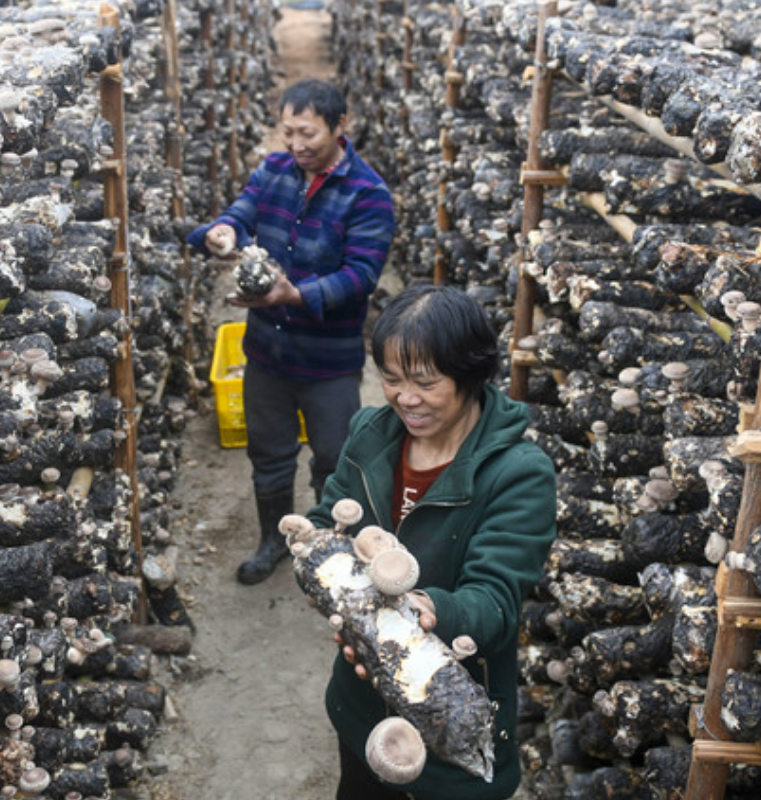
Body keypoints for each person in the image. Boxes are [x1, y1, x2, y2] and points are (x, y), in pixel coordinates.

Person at [307, 284, 557, 800]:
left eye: (425, 382)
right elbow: (323, 520)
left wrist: (418, 610)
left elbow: (493, 602)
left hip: (452, 711)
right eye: (391, 380)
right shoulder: (372, 432)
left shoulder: (519, 473)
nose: (405, 398)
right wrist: (321, 566)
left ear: (469, 374)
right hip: (361, 702)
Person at [188, 78, 396, 585]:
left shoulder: (368, 194)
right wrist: (222, 233)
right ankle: (273, 541)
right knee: (269, 454)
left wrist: (294, 295)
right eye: (288, 133)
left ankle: (328, 548)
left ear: (340, 125)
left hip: (328, 362)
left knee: (333, 458)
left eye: (308, 134)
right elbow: (242, 210)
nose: (297, 145)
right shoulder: (276, 169)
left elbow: (360, 276)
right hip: (267, 353)